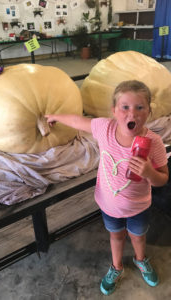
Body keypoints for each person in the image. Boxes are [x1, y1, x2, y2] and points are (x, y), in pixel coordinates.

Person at [45, 80, 168, 296]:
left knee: (138, 236)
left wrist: (149, 172)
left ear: (149, 111)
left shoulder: (154, 142)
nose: (133, 113)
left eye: (140, 107)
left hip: (139, 207)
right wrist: (55, 117)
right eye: (125, 107)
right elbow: (77, 120)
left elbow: (163, 180)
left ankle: (141, 260)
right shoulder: (105, 128)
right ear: (114, 111)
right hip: (108, 204)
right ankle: (117, 266)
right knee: (116, 236)